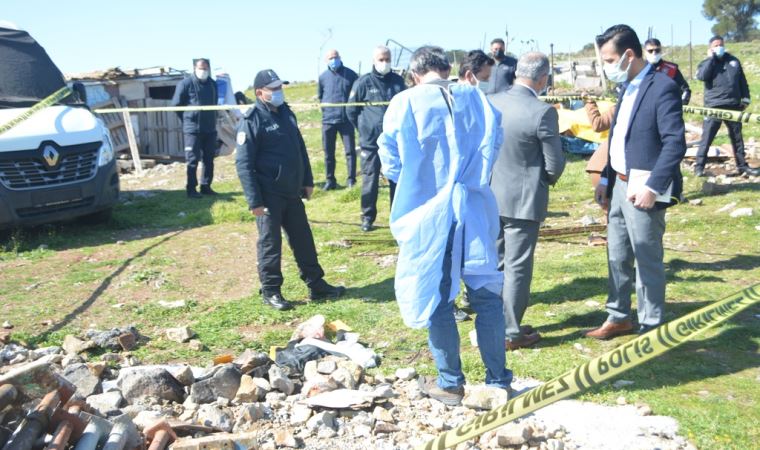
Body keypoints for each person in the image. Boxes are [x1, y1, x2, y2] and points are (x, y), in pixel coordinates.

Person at [378, 46, 512, 406]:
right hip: (477, 206)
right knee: (486, 296)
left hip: (431, 212)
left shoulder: (405, 102)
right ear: (446, 69)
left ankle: (450, 382)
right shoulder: (477, 98)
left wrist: (422, 179)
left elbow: (389, 160)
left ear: (414, 73)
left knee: (438, 297)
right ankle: (498, 379)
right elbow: (493, 144)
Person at [586, 25, 686, 339]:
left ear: (629, 55)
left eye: (610, 59)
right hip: (617, 185)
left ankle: (651, 326)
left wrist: (653, 187)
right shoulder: (625, 87)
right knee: (616, 254)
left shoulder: (662, 88)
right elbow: (616, 137)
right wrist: (605, 176)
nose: (606, 66)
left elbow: (674, 143)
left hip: (643, 188)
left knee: (646, 258)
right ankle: (618, 316)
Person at [235, 69, 346, 311]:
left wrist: (307, 180)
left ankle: (316, 285)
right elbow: (243, 164)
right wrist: (255, 201)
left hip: (292, 191)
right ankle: (271, 290)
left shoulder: (286, 113)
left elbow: (300, 149)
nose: (279, 92)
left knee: (303, 240)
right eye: (273, 89)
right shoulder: (252, 120)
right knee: (270, 244)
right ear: (260, 93)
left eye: (280, 88)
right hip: (268, 195)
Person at [489, 52, 566, 350]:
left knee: (496, 263)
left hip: (492, 195)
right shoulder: (542, 111)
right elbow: (554, 162)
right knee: (518, 267)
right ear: (543, 78)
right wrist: (544, 180)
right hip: (524, 200)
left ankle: (495, 322)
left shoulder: (492, 101)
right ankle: (510, 332)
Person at [452, 49, 496, 323]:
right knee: (452, 248)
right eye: (485, 77)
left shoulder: (482, 106)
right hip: (455, 193)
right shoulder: (453, 104)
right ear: (470, 76)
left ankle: (472, 291)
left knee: (474, 245)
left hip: (475, 191)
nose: (489, 83)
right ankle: (452, 299)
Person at [346, 46, 406, 232]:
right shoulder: (363, 82)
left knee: (397, 180)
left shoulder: (398, 82)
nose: (384, 62)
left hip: (395, 143)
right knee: (370, 180)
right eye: (381, 59)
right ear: (374, 61)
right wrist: (364, 129)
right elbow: (351, 110)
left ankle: (398, 217)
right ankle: (367, 218)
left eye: (387, 59)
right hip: (370, 143)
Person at [694, 35, 759, 177]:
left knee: (737, 138)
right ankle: (699, 168)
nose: (719, 47)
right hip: (714, 106)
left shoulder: (733, 61)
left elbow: (742, 80)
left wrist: (746, 98)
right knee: (707, 138)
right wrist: (712, 59)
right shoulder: (706, 63)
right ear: (710, 48)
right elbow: (702, 77)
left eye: (721, 44)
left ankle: (742, 167)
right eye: (716, 45)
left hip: (733, 105)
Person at [171, 58, 218, 198]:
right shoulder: (185, 84)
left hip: (210, 129)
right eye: (200, 68)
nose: (203, 71)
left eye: (205, 68)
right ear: (194, 68)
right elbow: (176, 105)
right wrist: (187, 119)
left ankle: (206, 186)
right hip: (192, 130)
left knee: (209, 159)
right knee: (192, 160)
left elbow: (215, 105)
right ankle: (191, 189)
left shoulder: (213, 84)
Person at [318, 49, 359, 190]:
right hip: (328, 120)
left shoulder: (351, 75)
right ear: (326, 61)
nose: (333, 60)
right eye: (330, 58)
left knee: (350, 151)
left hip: (346, 120)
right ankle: (330, 180)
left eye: (335, 57)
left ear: (340, 57)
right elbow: (320, 96)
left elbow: (357, 96)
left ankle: (351, 180)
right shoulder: (323, 77)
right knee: (328, 153)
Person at [643, 38, 691, 105]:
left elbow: (685, 89)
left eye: (657, 50)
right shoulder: (639, 69)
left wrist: (682, 102)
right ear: (645, 52)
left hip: (666, 107)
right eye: (650, 51)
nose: (654, 53)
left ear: (661, 51)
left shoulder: (671, 69)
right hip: (645, 107)